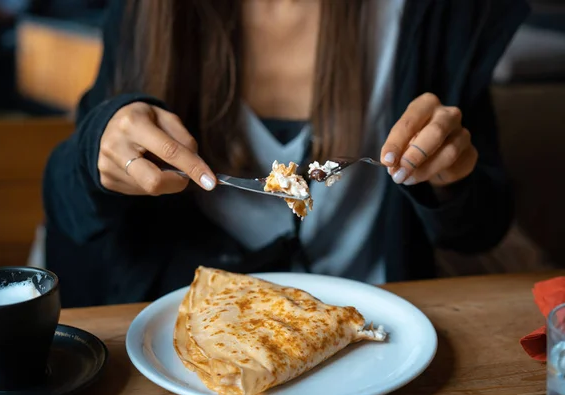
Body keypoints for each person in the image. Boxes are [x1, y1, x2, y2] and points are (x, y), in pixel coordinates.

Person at [43, 0, 530, 308]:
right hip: (190, 326)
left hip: (372, 322)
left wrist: (449, 182)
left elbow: (483, 226)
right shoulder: (144, 14)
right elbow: (67, 208)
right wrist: (97, 153)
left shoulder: (433, 16)